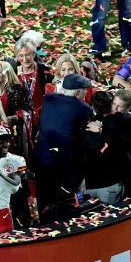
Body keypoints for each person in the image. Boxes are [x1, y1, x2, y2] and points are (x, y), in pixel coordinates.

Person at [33, 74, 93, 222]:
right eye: (84, 91)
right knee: (64, 200)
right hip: (64, 165)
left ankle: (44, 223)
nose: (86, 94)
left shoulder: (48, 98)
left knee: (44, 199)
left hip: (41, 158)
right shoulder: (84, 109)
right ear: (77, 92)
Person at [14, 36, 53, 124]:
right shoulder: (14, 72)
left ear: (34, 54)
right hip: (21, 118)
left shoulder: (45, 71)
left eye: (27, 55)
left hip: (43, 115)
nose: (25, 59)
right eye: (21, 56)